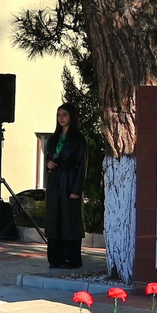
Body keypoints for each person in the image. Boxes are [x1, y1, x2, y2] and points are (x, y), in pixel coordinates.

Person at [41, 104, 90, 270]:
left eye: (65, 115)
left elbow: (82, 165)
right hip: (55, 182)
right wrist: (49, 165)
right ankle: (55, 258)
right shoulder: (53, 139)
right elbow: (48, 158)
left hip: (70, 182)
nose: (61, 118)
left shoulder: (78, 139)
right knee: (55, 219)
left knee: (70, 221)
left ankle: (71, 259)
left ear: (72, 117)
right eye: (59, 115)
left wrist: (77, 189)